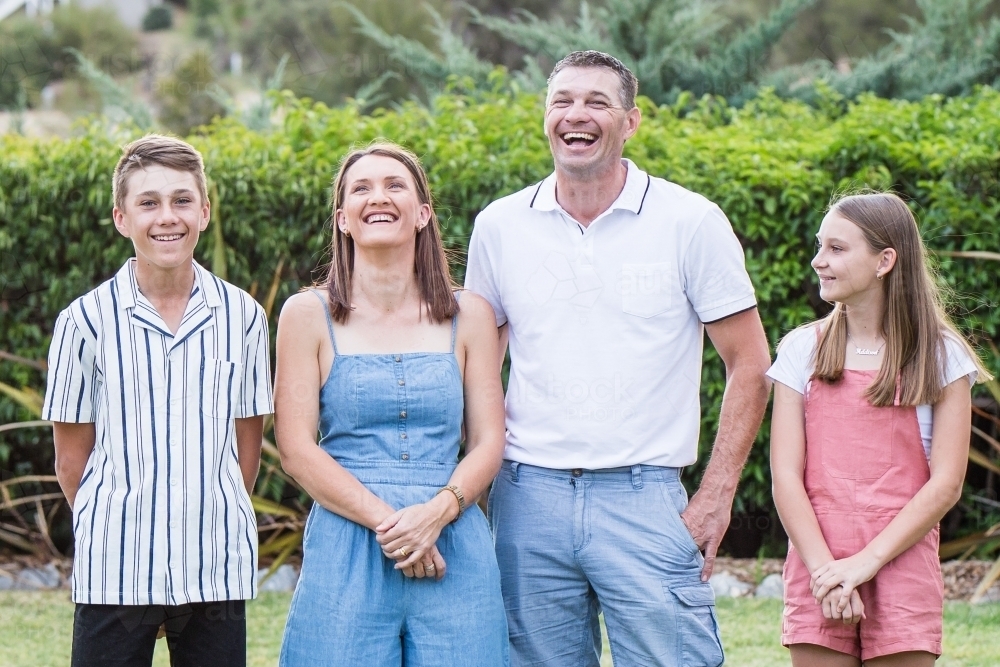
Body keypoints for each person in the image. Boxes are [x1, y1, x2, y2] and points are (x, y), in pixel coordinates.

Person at [464, 50, 772, 666]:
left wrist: (715, 494)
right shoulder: (499, 226)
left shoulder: (691, 221)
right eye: (563, 101)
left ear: (630, 122)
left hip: (646, 497)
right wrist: (468, 486)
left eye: (597, 102)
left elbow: (750, 364)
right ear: (545, 116)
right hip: (527, 499)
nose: (577, 116)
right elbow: (478, 368)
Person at [42, 134, 274, 667]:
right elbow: (70, 460)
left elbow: (247, 451)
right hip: (115, 570)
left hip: (215, 566)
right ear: (122, 218)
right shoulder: (84, 322)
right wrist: (125, 528)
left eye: (181, 200)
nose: (166, 216)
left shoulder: (244, 318)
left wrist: (198, 523)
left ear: (205, 212)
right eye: (148, 202)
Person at [274, 142, 509, 666]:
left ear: (423, 213)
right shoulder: (305, 315)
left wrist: (436, 514)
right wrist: (396, 527)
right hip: (347, 541)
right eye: (361, 188)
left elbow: (490, 440)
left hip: (454, 541)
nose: (378, 197)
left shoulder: (468, 313)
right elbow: (294, 447)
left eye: (394, 185)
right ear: (343, 220)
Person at [768, 192, 990, 666]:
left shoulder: (942, 357)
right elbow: (785, 477)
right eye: (819, 246)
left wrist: (865, 565)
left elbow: (946, 484)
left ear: (885, 260)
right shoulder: (800, 351)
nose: (818, 261)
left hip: (902, 565)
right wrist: (828, 572)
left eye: (837, 249)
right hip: (817, 562)